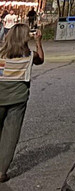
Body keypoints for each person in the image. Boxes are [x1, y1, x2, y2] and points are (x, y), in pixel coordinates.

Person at [0, 23, 45, 182]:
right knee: (10, 135)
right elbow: (41, 59)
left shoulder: (1, 54)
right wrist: (38, 41)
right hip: (18, 99)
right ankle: (1, 172)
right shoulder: (29, 55)